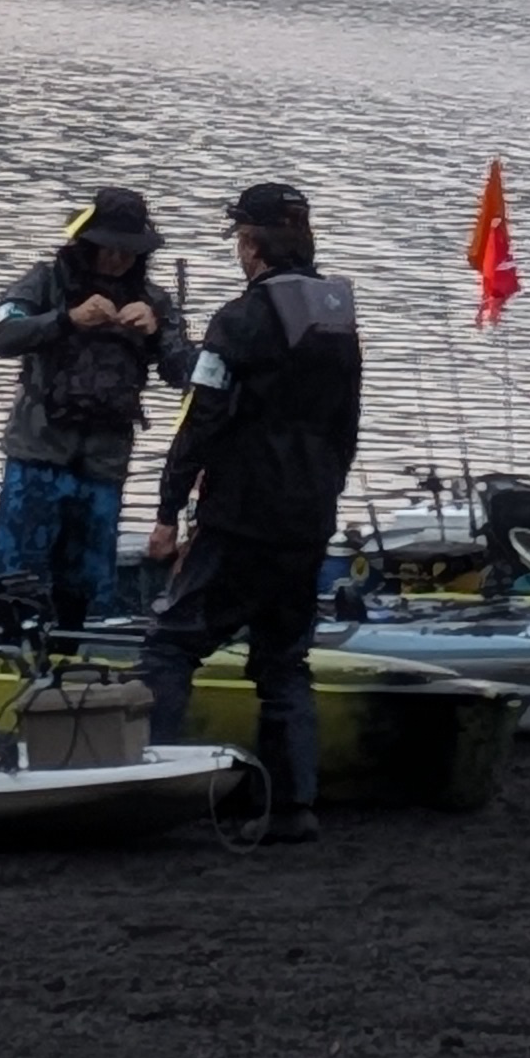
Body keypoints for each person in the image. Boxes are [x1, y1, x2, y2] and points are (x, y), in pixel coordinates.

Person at [140, 183, 362, 844]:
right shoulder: (337, 317)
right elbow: (346, 425)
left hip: (241, 513)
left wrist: (168, 508)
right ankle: (294, 805)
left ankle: (145, 783)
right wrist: (325, 494)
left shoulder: (238, 318)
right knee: (284, 660)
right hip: (308, 516)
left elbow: (200, 416)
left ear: (251, 243)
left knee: (172, 644)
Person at [0, 189, 192, 631]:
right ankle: (2, 648)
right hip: (38, 454)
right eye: (109, 248)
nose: (118, 259)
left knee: (82, 585)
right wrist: (66, 320)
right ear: (89, 242)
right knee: (15, 571)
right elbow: (4, 335)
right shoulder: (44, 282)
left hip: (104, 464)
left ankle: (68, 653)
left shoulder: (155, 300)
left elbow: (184, 372)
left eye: (129, 252)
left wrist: (155, 333)